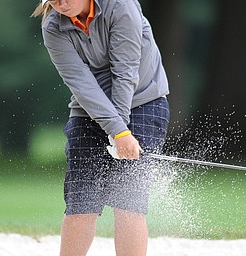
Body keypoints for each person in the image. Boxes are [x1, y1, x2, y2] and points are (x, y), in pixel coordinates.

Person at [32, 0, 170, 255]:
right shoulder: (53, 26)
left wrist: (122, 131)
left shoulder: (120, 5)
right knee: (81, 205)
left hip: (143, 101)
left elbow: (125, 71)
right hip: (88, 109)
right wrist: (117, 131)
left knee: (128, 204)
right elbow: (82, 84)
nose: (60, 4)